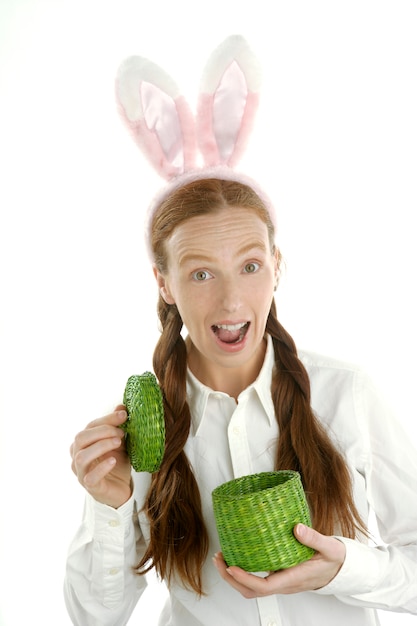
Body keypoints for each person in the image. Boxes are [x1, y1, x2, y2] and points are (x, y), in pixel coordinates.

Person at [64, 37, 417, 625]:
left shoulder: (346, 395)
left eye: (250, 266)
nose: (230, 299)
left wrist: (343, 570)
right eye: (200, 273)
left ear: (278, 266)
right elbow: (95, 619)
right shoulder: (138, 431)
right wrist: (111, 504)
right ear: (164, 283)